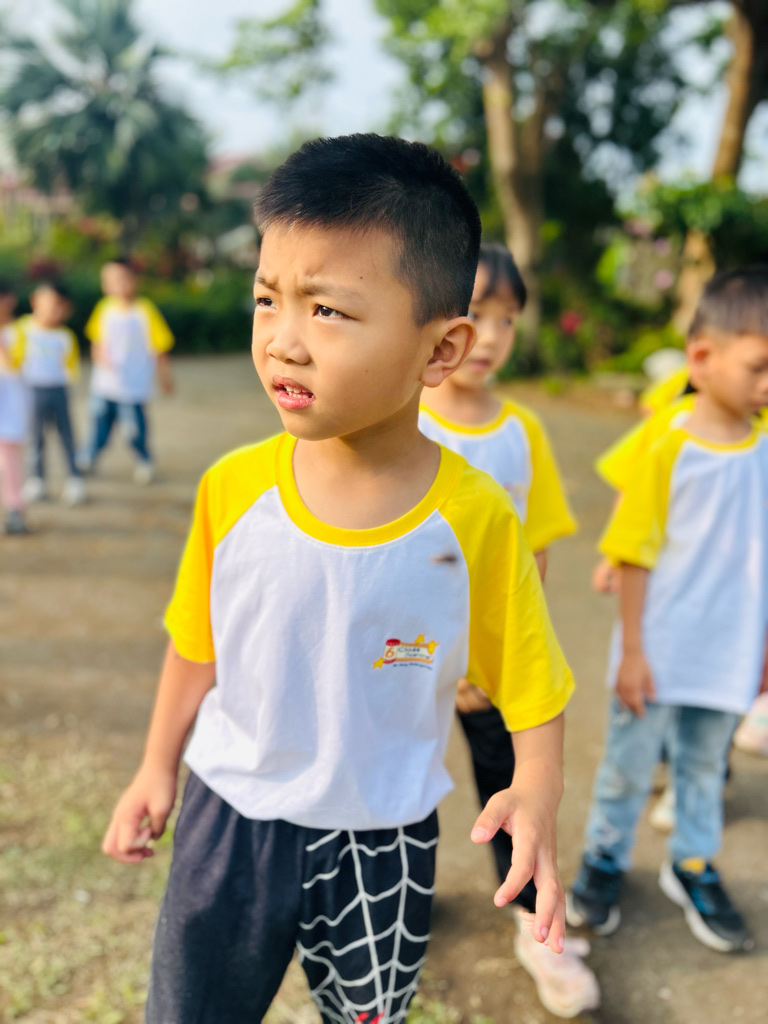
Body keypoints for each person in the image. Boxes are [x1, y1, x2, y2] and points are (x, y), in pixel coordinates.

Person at [102, 134, 575, 1024]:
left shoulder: (474, 518)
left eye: (327, 310)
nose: (283, 341)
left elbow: (533, 680)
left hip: (383, 832)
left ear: (441, 350)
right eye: (267, 299)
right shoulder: (232, 490)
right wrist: (155, 769)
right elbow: (196, 646)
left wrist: (538, 789)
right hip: (229, 813)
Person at [567, 266, 768, 954]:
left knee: (704, 770)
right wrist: (631, 650)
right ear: (702, 358)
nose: (767, 383)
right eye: (759, 366)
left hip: (730, 650)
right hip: (655, 649)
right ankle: (604, 860)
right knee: (627, 768)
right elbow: (633, 551)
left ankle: (693, 863)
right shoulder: (668, 446)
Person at [420, 244, 597, 1018]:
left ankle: (534, 921)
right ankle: (395, 904)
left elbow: (535, 552)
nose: (489, 337)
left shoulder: (522, 430)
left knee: (511, 789)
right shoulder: (401, 417)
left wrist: (499, 662)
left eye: (507, 320)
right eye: (476, 315)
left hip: (490, 671)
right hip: (405, 662)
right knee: (403, 789)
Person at [80, 259, 174, 484]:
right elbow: (96, 340)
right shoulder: (104, 308)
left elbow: (159, 346)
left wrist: (165, 377)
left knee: (134, 430)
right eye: (111, 280)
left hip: (133, 386)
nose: (117, 284)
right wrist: (99, 357)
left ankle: (144, 459)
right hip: (105, 385)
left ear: (135, 281)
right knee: (99, 425)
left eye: (122, 279)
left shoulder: (144, 311)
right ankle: (89, 456)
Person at [11, 281, 85, 506]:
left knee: (66, 436)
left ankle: (74, 479)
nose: (54, 310)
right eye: (50, 303)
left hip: (58, 390)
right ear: (35, 301)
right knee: (35, 437)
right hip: (31, 390)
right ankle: (37, 479)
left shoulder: (65, 336)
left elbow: (71, 366)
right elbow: (13, 360)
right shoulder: (22, 329)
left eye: (60, 306)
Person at [0, 279, 29, 533]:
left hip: (9, 410)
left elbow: (13, 365)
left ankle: (15, 510)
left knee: (10, 463)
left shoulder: (20, 331)